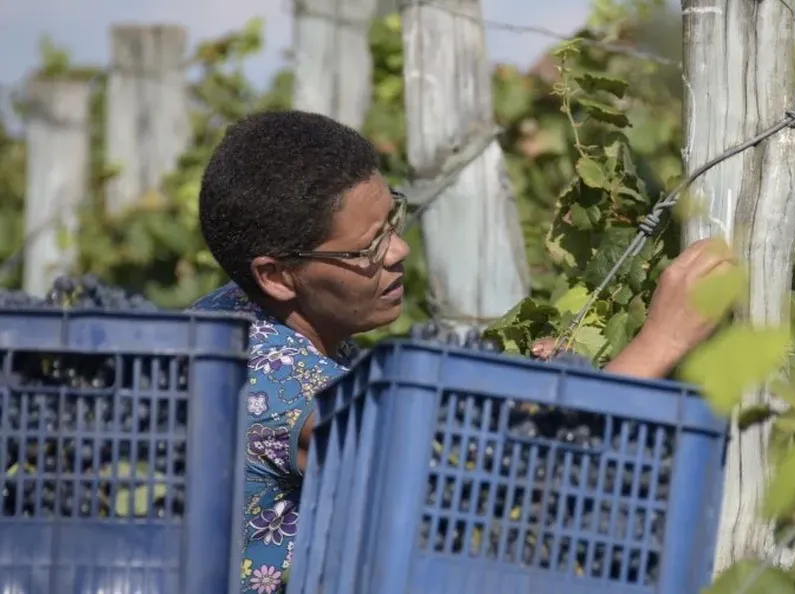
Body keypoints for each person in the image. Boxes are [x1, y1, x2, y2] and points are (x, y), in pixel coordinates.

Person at [190, 110, 735, 593]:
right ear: (278, 275)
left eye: (392, 222)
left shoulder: (237, 312)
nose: (399, 251)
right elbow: (468, 483)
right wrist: (659, 343)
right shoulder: (267, 381)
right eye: (368, 246)